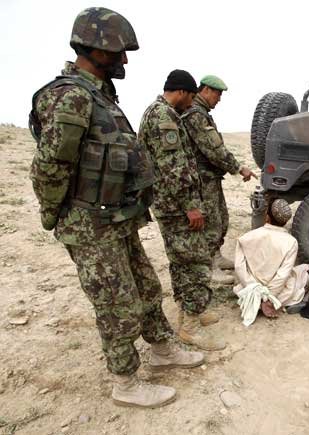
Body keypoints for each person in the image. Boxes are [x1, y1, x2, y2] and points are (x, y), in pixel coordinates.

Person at [29, 8, 204, 409]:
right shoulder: (71, 96)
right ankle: (125, 382)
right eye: (119, 51)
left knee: (146, 287)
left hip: (116, 219)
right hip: (89, 224)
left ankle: (162, 349)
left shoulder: (100, 96)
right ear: (96, 48)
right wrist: (54, 215)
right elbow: (50, 167)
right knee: (116, 304)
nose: (124, 59)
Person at [138, 70, 225, 352]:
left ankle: (191, 312)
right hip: (177, 207)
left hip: (169, 205)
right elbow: (174, 168)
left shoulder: (157, 112)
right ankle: (190, 326)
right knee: (195, 263)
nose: (192, 103)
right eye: (190, 97)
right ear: (182, 92)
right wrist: (191, 206)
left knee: (181, 262)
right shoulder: (163, 117)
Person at [181, 75, 257, 284]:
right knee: (211, 222)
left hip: (210, 177)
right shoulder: (195, 115)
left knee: (221, 218)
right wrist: (238, 168)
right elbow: (213, 149)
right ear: (205, 90)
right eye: (218, 94)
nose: (219, 99)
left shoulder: (202, 113)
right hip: (202, 179)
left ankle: (215, 255)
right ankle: (208, 265)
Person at [233, 199, 309, 324]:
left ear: (267, 217)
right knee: (307, 269)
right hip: (278, 296)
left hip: (250, 291)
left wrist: (256, 291)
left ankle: (256, 301)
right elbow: (282, 275)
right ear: (285, 221)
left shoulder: (246, 238)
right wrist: (268, 298)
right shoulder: (291, 242)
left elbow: (239, 268)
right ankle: (269, 303)